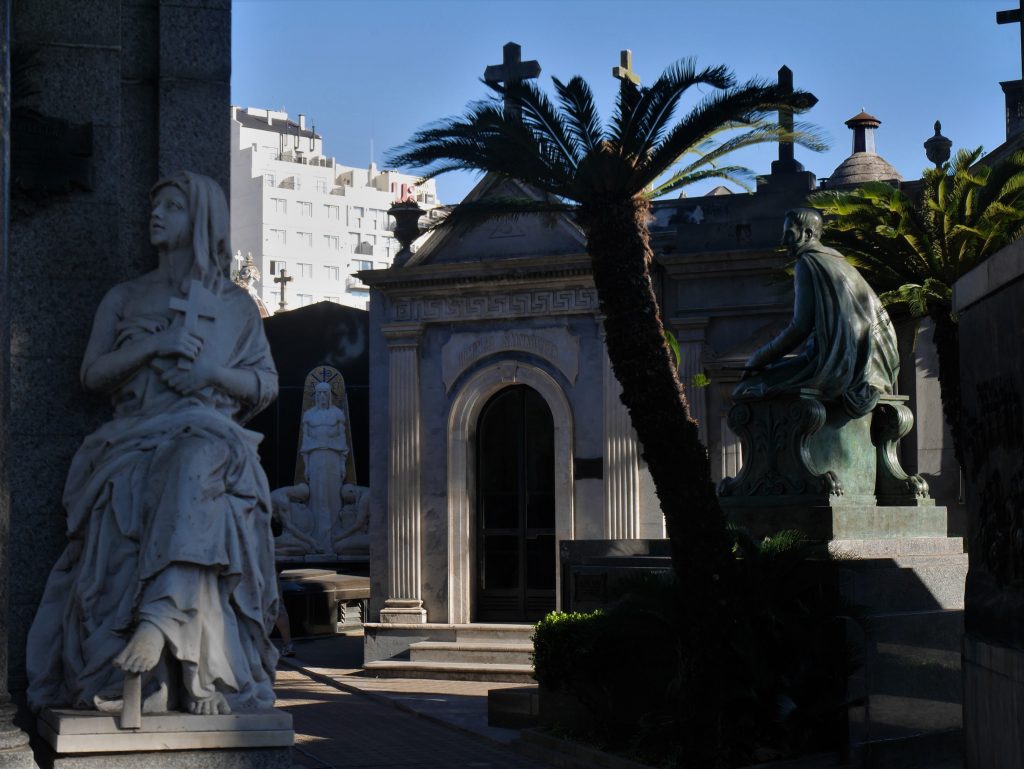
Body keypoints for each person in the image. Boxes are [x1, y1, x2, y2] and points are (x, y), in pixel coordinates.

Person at [27, 172, 279, 717]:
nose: (156, 216)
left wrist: (213, 373)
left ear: (203, 219)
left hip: (213, 435)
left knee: (198, 459)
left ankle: (157, 624)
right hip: (133, 437)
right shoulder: (126, 297)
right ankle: (158, 632)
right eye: (154, 206)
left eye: (172, 207)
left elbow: (265, 385)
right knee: (168, 473)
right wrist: (155, 346)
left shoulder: (235, 306)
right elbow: (93, 374)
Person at [733, 207, 899, 418]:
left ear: (808, 234)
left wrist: (757, 359)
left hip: (837, 367)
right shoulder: (839, 261)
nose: (783, 242)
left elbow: (799, 328)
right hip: (869, 366)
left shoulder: (808, 263)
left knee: (746, 389)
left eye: (789, 234)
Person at [299, 381, 348, 544]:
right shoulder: (309, 415)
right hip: (315, 459)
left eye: (325, 393)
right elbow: (305, 444)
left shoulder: (337, 414)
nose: (322, 396)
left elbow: (342, 442)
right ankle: (317, 536)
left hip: (333, 458)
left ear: (329, 396)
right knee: (317, 494)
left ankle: (334, 533)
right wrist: (306, 467)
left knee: (333, 494)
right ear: (315, 396)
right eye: (319, 393)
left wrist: (342, 465)